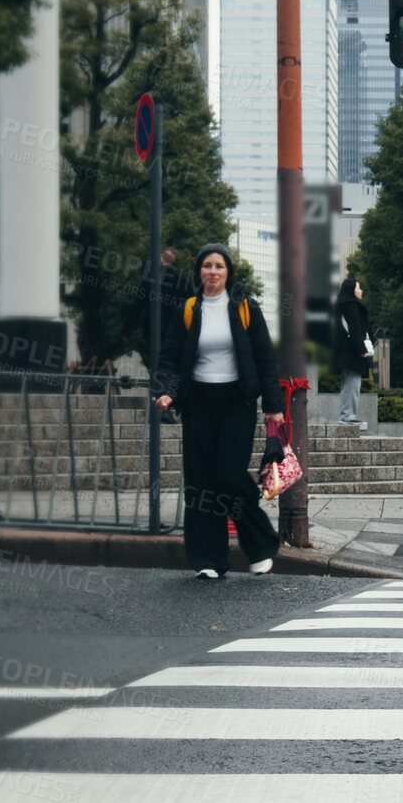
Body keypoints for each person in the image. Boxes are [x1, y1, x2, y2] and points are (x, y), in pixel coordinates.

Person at [153, 244, 284, 579]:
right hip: (198, 401)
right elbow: (169, 357)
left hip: (236, 402)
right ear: (199, 271)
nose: (212, 272)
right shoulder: (188, 309)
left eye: (219, 266)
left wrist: (273, 407)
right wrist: (167, 392)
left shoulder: (245, 309)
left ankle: (260, 544)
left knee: (229, 474)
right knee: (200, 481)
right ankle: (208, 560)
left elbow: (265, 360)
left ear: (228, 273)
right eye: (207, 266)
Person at [331, 277, 371, 429]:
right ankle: (348, 416)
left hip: (346, 351)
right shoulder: (352, 306)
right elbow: (355, 330)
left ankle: (347, 415)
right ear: (352, 290)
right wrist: (362, 350)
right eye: (358, 288)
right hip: (352, 352)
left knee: (349, 384)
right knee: (352, 385)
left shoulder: (344, 306)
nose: (361, 291)